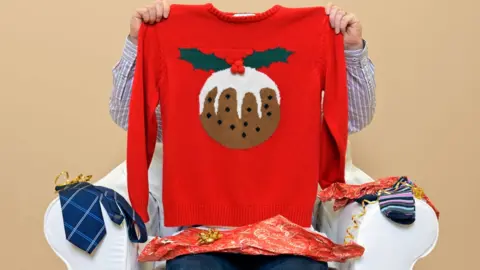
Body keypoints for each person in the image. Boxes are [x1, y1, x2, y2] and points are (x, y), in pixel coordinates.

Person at [109, 1, 376, 269]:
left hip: (288, 233)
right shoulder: (172, 40)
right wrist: (138, 42)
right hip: (201, 235)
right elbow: (127, 116)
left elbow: (350, 119)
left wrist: (351, 51)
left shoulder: (310, 39)